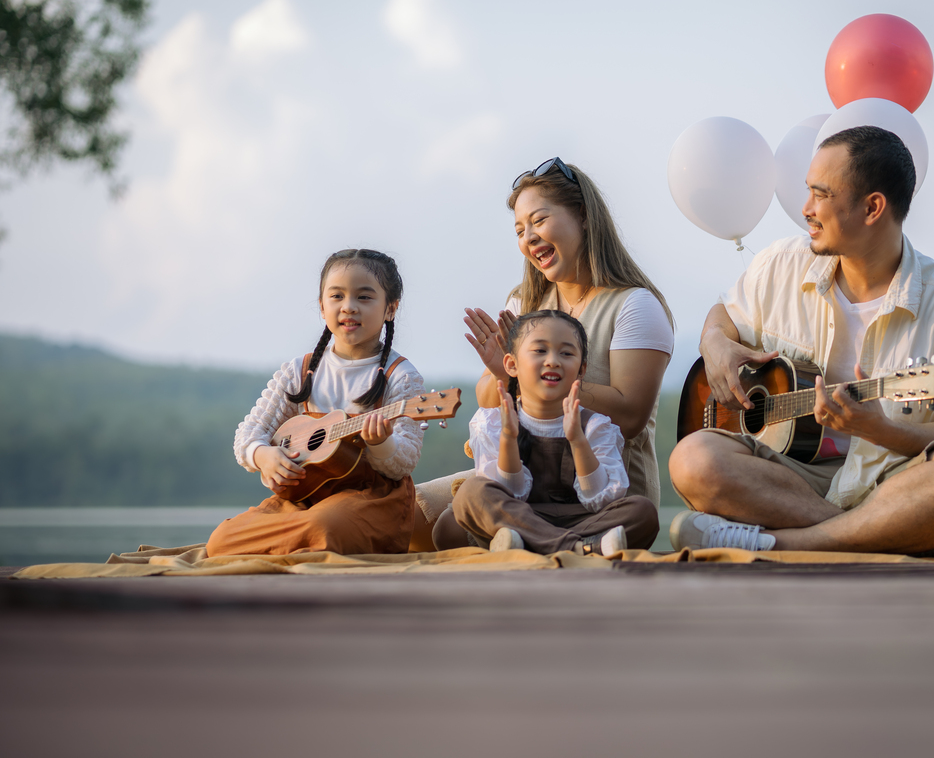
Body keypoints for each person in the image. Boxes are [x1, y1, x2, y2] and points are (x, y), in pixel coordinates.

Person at [668, 126, 934, 557]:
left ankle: (784, 545)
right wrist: (714, 341)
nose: (805, 209)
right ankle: (905, 534)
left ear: (873, 207)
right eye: (807, 191)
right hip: (795, 476)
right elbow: (726, 313)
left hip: (898, 477)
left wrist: (882, 430)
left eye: (821, 194)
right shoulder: (781, 263)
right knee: (693, 459)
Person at [411, 158, 673, 551]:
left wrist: (534, 381)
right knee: (418, 515)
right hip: (519, 488)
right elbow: (487, 396)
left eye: (538, 221)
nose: (528, 237)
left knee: (640, 515)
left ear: (583, 216)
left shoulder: (635, 305)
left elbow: (631, 415)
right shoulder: (524, 303)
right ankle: (568, 547)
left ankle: (526, 541)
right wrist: (505, 373)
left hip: (600, 496)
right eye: (520, 230)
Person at [206, 249, 424, 556]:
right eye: (337, 296)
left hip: (369, 500)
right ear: (322, 306)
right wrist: (263, 456)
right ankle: (302, 543)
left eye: (364, 297)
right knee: (221, 540)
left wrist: (381, 443)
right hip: (304, 497)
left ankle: (293, 543)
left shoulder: (400, 376)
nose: (349, 307)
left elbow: (406, 459)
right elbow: (249, 433)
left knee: (326, 527)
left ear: (391, 308)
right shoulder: (299, 370)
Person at [432, 310, 658, 555]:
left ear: (581, 371)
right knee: (469, 496)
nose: (553, 360)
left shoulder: (595, 425)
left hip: (579, 520)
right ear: (511, 364)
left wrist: (577, 440)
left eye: (566, 353)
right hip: (516, 516)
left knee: (642, 512)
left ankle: (525, 545)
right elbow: (510, 495)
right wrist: (509, 438)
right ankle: (578, 548)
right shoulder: (493, 422)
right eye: (540, 351)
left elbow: (601, 499)